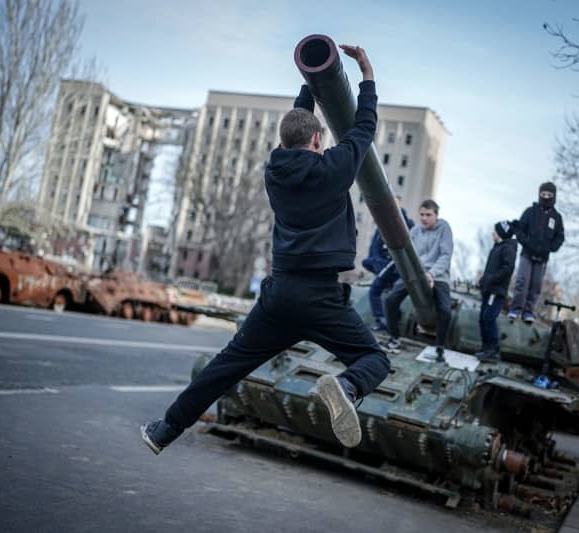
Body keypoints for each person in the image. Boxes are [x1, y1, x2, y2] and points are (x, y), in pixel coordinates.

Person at [141, 45, 390, 453]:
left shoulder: (273, 170)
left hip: (279, 296)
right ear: (316, 138)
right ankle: (345, 386)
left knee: (225, 367)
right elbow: (364, 126)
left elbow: (298, 123)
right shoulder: (335, 168)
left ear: (285, 139)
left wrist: (310, 84)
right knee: (374, 361)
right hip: (322, 297)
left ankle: (164, 430)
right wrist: (367, 73)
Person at [382, 199, 453, 363]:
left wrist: (432, 274)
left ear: (436, 215)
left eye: (428, 215)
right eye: (422, 214)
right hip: (415, 274)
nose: (424, 218)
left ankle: (440, 347)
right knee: (390, 300)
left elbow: (445, 255)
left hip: (438, 275)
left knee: (445, 310)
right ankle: (394, 338)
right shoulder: (415, 230)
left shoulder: (444, 228)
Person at [507, 182, 564, 323]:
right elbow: (519, 229)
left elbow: (560, 237)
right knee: (522, 280)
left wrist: (550, 247)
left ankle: (528, 311)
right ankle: (515, 308)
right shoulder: (530, 212)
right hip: (527, 254)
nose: (546, 197)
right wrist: (526, 241)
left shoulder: (556, 218)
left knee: (536, 285)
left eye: (549, 195)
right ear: (539, 195)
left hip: (542, 258)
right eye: (543, 194)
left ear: (554, 196)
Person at [362, 199, 414, 331]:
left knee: (386, 293)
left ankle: (388, 321)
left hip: (397, 265)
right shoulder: (382, 225)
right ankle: (381, 319)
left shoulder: (407, 223)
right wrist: (378, 264)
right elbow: (374, 248)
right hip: (383, 264)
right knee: (375, 287)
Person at [476, 221, 517, 361]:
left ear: (501, 233)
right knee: (482, 318)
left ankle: (493, 349)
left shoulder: (508, 248)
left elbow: (507, 268)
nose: (493, 233)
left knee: (488, 318)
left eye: (496, 231)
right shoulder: (497, 247)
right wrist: (483, 281)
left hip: (496, 290)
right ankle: (485, 348)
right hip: (489, 289)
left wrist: (491, 279)